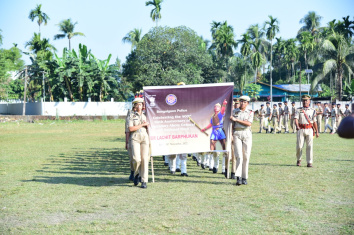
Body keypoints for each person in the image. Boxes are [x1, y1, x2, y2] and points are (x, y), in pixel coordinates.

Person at [230, 96, 254, 186]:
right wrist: (231, 135)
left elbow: (248, 123)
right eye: (241, 102)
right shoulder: (234, 112)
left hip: (247, 133)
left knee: (246, 156)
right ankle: (238, 177)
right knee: (239, 156)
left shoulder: (250, 112)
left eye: (244, 102)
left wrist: (236, 120)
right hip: (237, 133)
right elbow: (231, 124)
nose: (242, 103)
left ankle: (244, 177)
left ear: (247, 103)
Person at [129, 97, 150, 188]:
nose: (139, 106)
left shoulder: (147, 115)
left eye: (141, 104)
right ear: (135, 105)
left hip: (145, 137)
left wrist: (147, 126)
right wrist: (142, 125)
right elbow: (131, 128)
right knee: (137, 159)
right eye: (138, 104)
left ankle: (144, 180)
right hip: (135, 138)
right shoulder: (131, 116)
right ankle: (136, 174)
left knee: (145, 159)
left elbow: (150, 127)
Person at [294, 95, 319, 168]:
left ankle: (309, 162)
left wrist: (317, 131)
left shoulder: (313, 110)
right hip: (301, 129)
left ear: (309, 101)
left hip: (309, 129)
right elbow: (296, 119)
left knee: (310, 146)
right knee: (299, 146)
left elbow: (314, 122)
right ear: (302, 101)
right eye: (304, 100)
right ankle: (299, 159)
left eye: (306, 100)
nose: (305, 102)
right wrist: (297, 126)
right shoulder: (298, 110)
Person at [125, 103, 136, 181]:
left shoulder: (146, 113)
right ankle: (133, 171)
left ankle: (139, 174)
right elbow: (127, 130)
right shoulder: (130, 115)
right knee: (133, 158)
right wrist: (127, 142)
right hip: (132, 139)